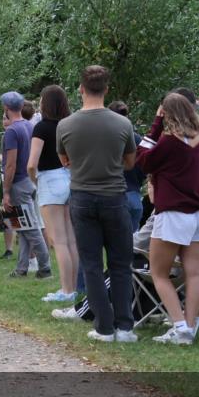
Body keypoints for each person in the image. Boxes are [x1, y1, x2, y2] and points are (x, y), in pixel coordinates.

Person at [55, 66, 138, 341]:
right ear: (106, 89)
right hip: (115, 196)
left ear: (80, 89)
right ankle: (125, 326)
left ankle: (104, 326)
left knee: (90, 264)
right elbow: (130, 162)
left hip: (81, 197)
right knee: (120, 263)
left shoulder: (65, 125)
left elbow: (64, 161)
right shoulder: (123, 124)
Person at [136, 92, 199, 345]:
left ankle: (180, 326)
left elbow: (142, 160)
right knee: (194, 274)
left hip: (174, 214)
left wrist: (155, 125)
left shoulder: (171, 143)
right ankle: (190, 327)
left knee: (159, 273)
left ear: (166, 114)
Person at [27, 85, 79, 302]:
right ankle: (74, 286)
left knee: (58, 240)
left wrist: (35, 180)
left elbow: (32, 163)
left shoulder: (41, 128)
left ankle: (66, 290)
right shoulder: (71, 126)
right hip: (70, 177)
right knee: (71, 239)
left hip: (49, 179)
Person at [1, 91, 51, 279]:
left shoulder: (12, 131)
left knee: (29, 228)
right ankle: (21, 268)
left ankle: (45, 267)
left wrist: (6, 191)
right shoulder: (29, 126)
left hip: (18, 184)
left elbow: (10, 164)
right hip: (30, 181)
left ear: (6, 108)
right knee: (21, 228)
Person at [108, 101, 148, 236]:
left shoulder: (108, 139)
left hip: (114, 197)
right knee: (131, 246)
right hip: (135, 197)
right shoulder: (138, 140)